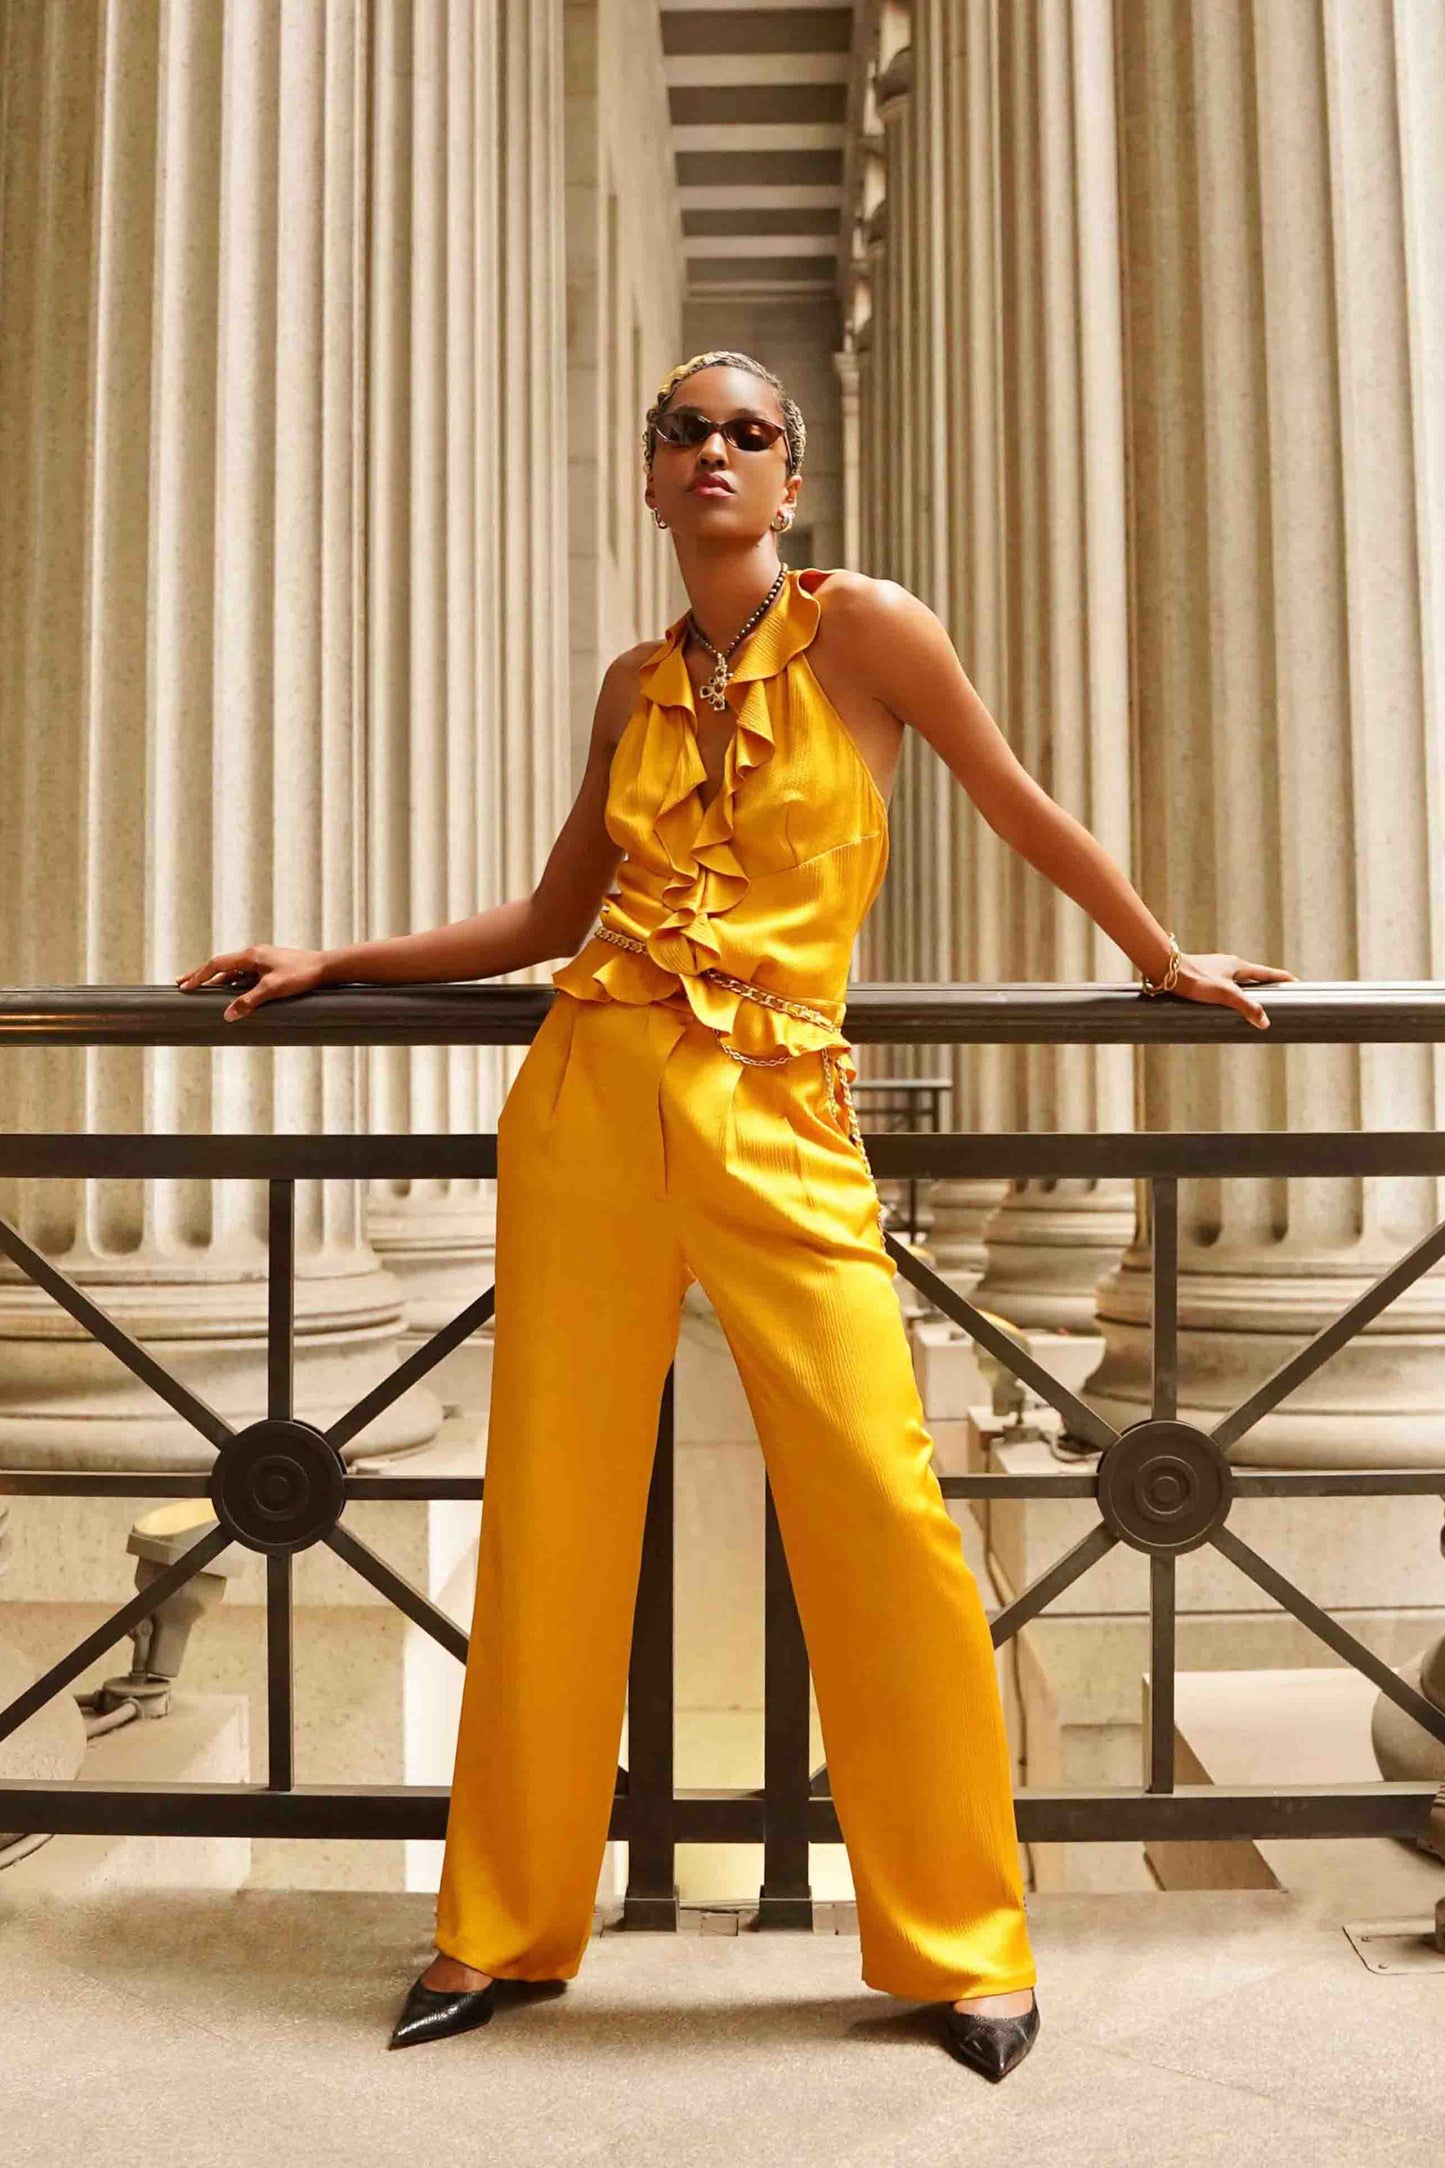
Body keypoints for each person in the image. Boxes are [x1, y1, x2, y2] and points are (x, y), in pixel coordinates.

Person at [177, 347, 1291, 2080]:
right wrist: (337, 957)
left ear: (791, 484)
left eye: (747, 432)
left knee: (880, 1497)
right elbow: (556, 906)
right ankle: (499, 1931)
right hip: (591, 1102)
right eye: (682, 430)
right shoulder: (632, 680)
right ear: (647, 478)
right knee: (550, 1507)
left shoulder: (869, 630)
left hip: (781, 1109)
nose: (713, 451)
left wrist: (1161, 959)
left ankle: (961, 1945)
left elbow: (1013, 802)